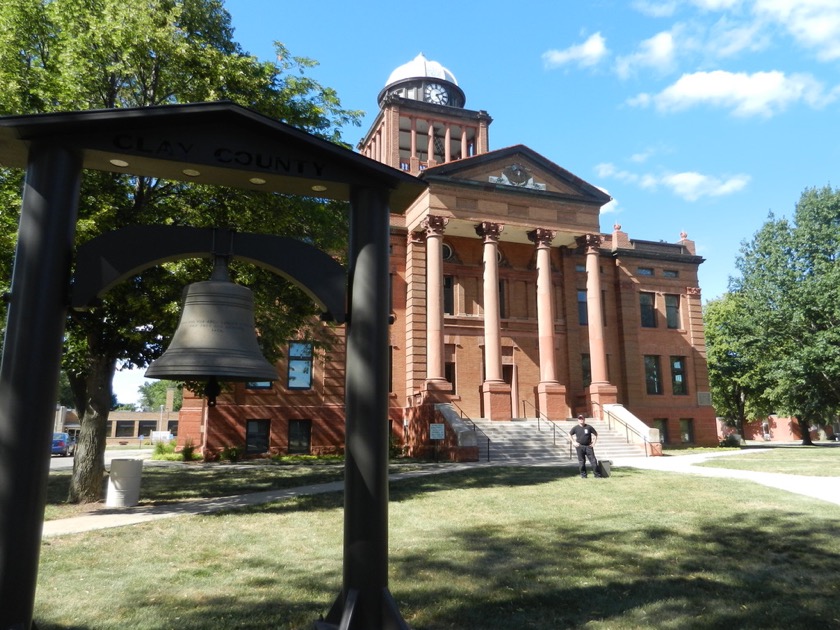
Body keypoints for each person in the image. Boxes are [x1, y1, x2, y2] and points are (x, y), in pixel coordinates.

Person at [570, 414, 601, 478]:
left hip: (588, 446)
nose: (581, 420)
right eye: (580, 419)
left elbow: (596, 434)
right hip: (580, 447)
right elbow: (569, 434)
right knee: (581, 461)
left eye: (582, 419)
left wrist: (594, 442)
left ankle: (597, 475)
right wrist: (573, 442)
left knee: (593, 461)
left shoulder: (589, 427)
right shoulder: (575, 428)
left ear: (584, 419)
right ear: (578, 420)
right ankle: (583, 475)